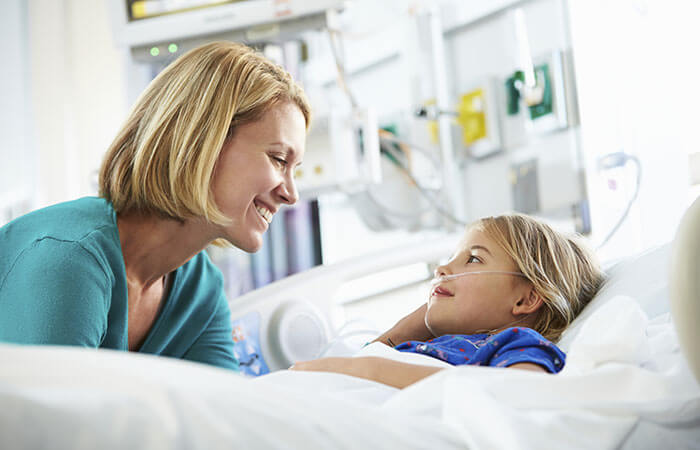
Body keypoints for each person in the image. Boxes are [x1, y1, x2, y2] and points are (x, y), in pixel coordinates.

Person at [0, 42, 311, 370]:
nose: (291, 195)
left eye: (295, 169)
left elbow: (225, 411)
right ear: (202, 141)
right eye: (278, 159)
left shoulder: (200, 291)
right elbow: (56, 419)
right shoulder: (69, 259)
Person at [291, 214, 605, 388]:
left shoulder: (518, 344)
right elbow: (359, 367)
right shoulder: (440, 344)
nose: (443, 268)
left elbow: (518, 395)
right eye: (451, 257)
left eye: (473, 260)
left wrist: (372, 370)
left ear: (526, 298)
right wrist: (409, 329)